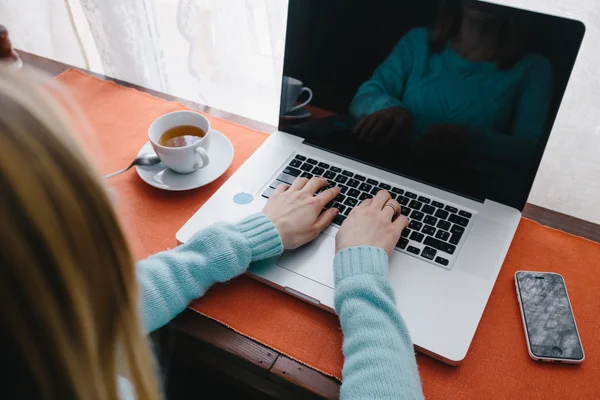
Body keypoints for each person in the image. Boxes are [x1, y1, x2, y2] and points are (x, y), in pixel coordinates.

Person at [0, 67, 424, 399]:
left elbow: (101, 310)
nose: (110, 207)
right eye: (85, 205)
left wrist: (256, 234)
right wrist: (362, 275)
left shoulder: (34, 343)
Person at [350, 0, 552, 166]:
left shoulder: (533, 68)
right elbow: (365, 96)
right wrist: (389, 108)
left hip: (468, 185)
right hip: (385, 164)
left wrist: (470, 139)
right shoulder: (419, 41)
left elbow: (529, 150)